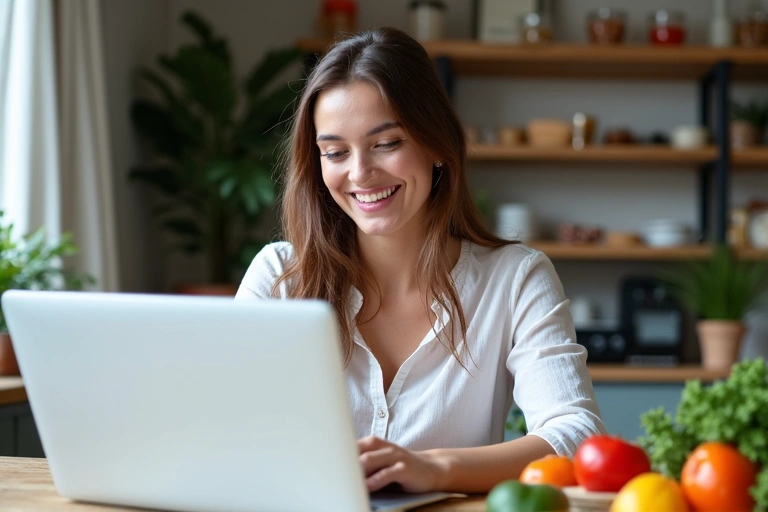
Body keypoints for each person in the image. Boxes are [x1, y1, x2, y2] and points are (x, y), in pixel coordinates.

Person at [235, 27, 605, 494]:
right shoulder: (279, 278)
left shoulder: (516, 279)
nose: (360, 173)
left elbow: (576, 435)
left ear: (436, 145)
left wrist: (435, 468)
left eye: (386, 143)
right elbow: (218, 425)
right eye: (335, 152)